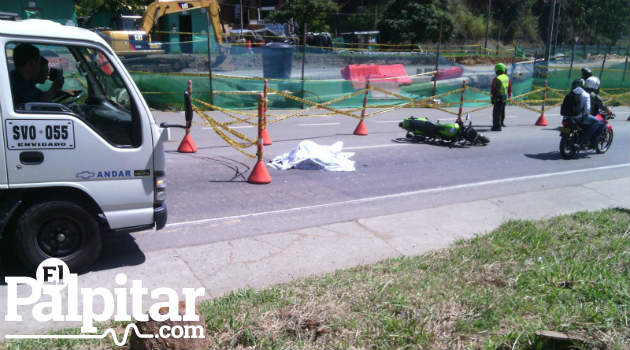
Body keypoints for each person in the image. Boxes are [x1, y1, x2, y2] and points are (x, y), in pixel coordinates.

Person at [490, 62, 512, 131]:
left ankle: (497, 126)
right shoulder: (506, 77)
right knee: (502, 111)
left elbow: (493, 90)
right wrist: (509, 96)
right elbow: (509, 88)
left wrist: (492, 98)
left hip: (498, 97)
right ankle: (502, 123)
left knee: (496, 112)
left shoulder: (497, 79)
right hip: (504, 96)